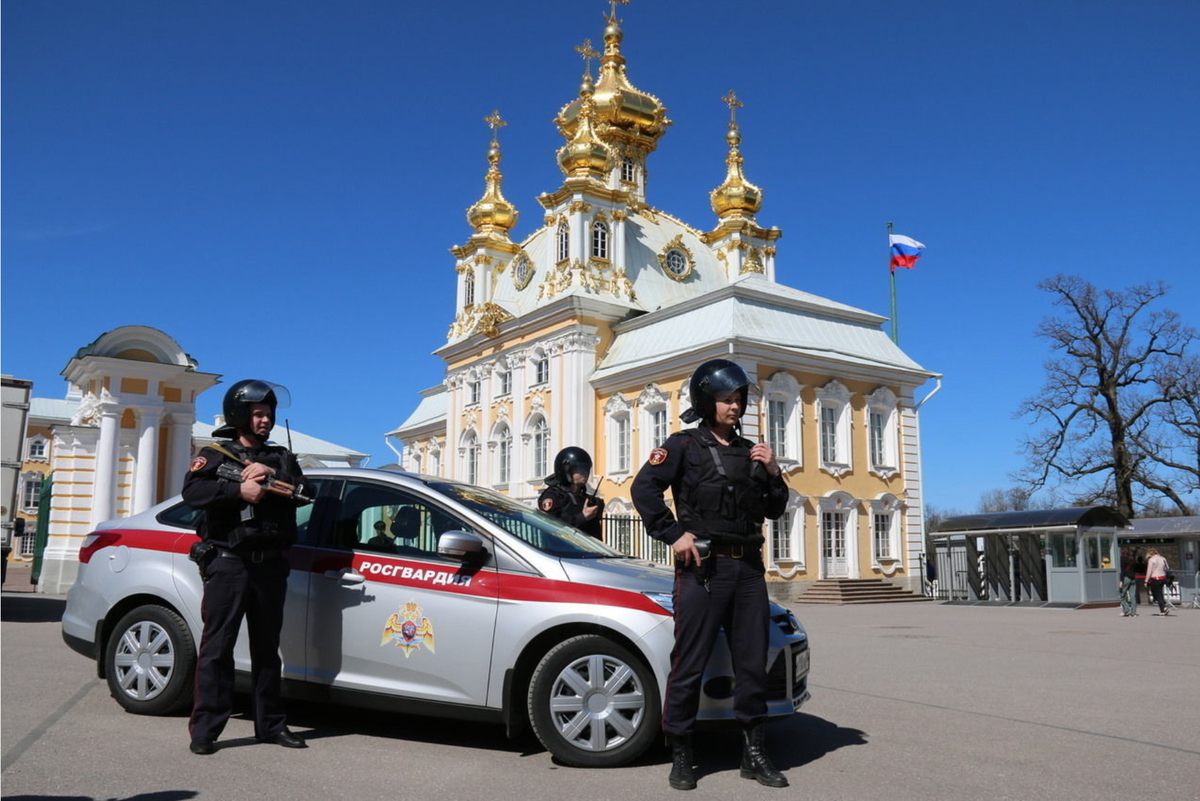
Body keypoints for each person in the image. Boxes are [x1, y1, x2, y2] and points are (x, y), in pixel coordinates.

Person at [630, 358, 790, 791]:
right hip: (702, 570)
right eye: (726, 399)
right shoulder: (683, 446)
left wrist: (774, 473)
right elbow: (643, 489)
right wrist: (673, 533)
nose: (735, 407)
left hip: (748, 571)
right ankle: (681, 752)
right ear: (707, 401)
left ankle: (753, 754)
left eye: (739, 399)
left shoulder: (751, 452)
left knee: (752, 664)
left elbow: (775, 508)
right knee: (690, 662)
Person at [183, 379, 312, 755]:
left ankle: (270, 725)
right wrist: (238, 489)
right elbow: (193, 493)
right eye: (258, 413)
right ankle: (205, 731)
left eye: (269, 413)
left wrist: (269, 480)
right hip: (229, 564)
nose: (265, 420)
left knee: (267, 650)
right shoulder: (217, 455)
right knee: (217, 649)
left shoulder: (282, 457)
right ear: (240, 415)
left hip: (271, 566)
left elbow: (305, 492)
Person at [538, 447, 604, 539]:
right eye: (580, 469)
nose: (585, 473)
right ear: (566, 470)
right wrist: (582, 517)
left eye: (586, 469)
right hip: (561, 551)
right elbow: (550, 525)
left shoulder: (585, 498)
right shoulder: (553, 496)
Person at [1144, 547, 1171, 616]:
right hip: (1163, 577)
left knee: (1157, 595)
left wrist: (1146, 581)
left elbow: (1149, 571)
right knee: (1160, 593)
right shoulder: (1163, 558)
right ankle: (1163, 609)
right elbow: (1167, 568)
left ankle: (1163, 608)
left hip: (1155, 578)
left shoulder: (1151, 560)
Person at [1118, 548, 1139, 617]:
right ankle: (1133, 612)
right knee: (1133, 596)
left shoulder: (1122, 559)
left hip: (1126, 578)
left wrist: (1121, 580)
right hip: (1133, 578)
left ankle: (1126, 610)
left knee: (1121, 594)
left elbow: (1122, 570)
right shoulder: (1132, 559)